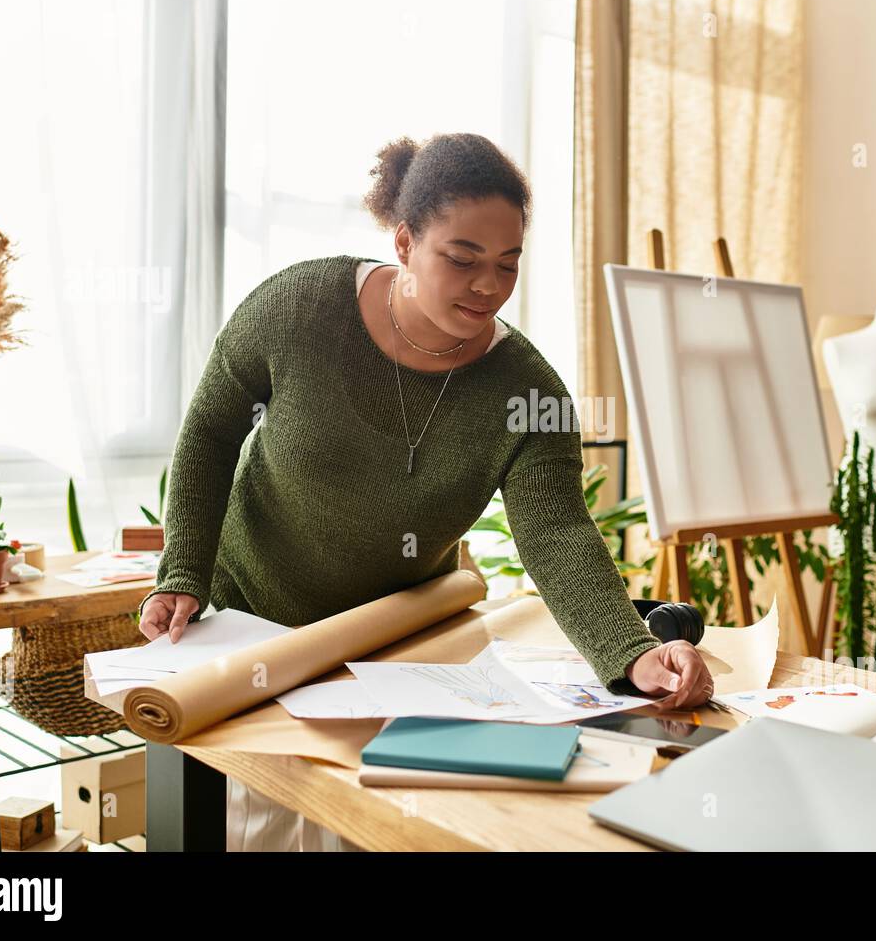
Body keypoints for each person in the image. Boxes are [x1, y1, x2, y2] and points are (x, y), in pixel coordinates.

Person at [137, 132, 713, 850]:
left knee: (370, 828)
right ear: (405, 243)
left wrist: (631, 652)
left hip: (393, 647)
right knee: (265, 829)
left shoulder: (525, 390)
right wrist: (183, 569)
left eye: (507, 265)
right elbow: (209, 433)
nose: (488, 286)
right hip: (257, 624)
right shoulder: (298, 308)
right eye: (462, 259)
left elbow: (557, 532)